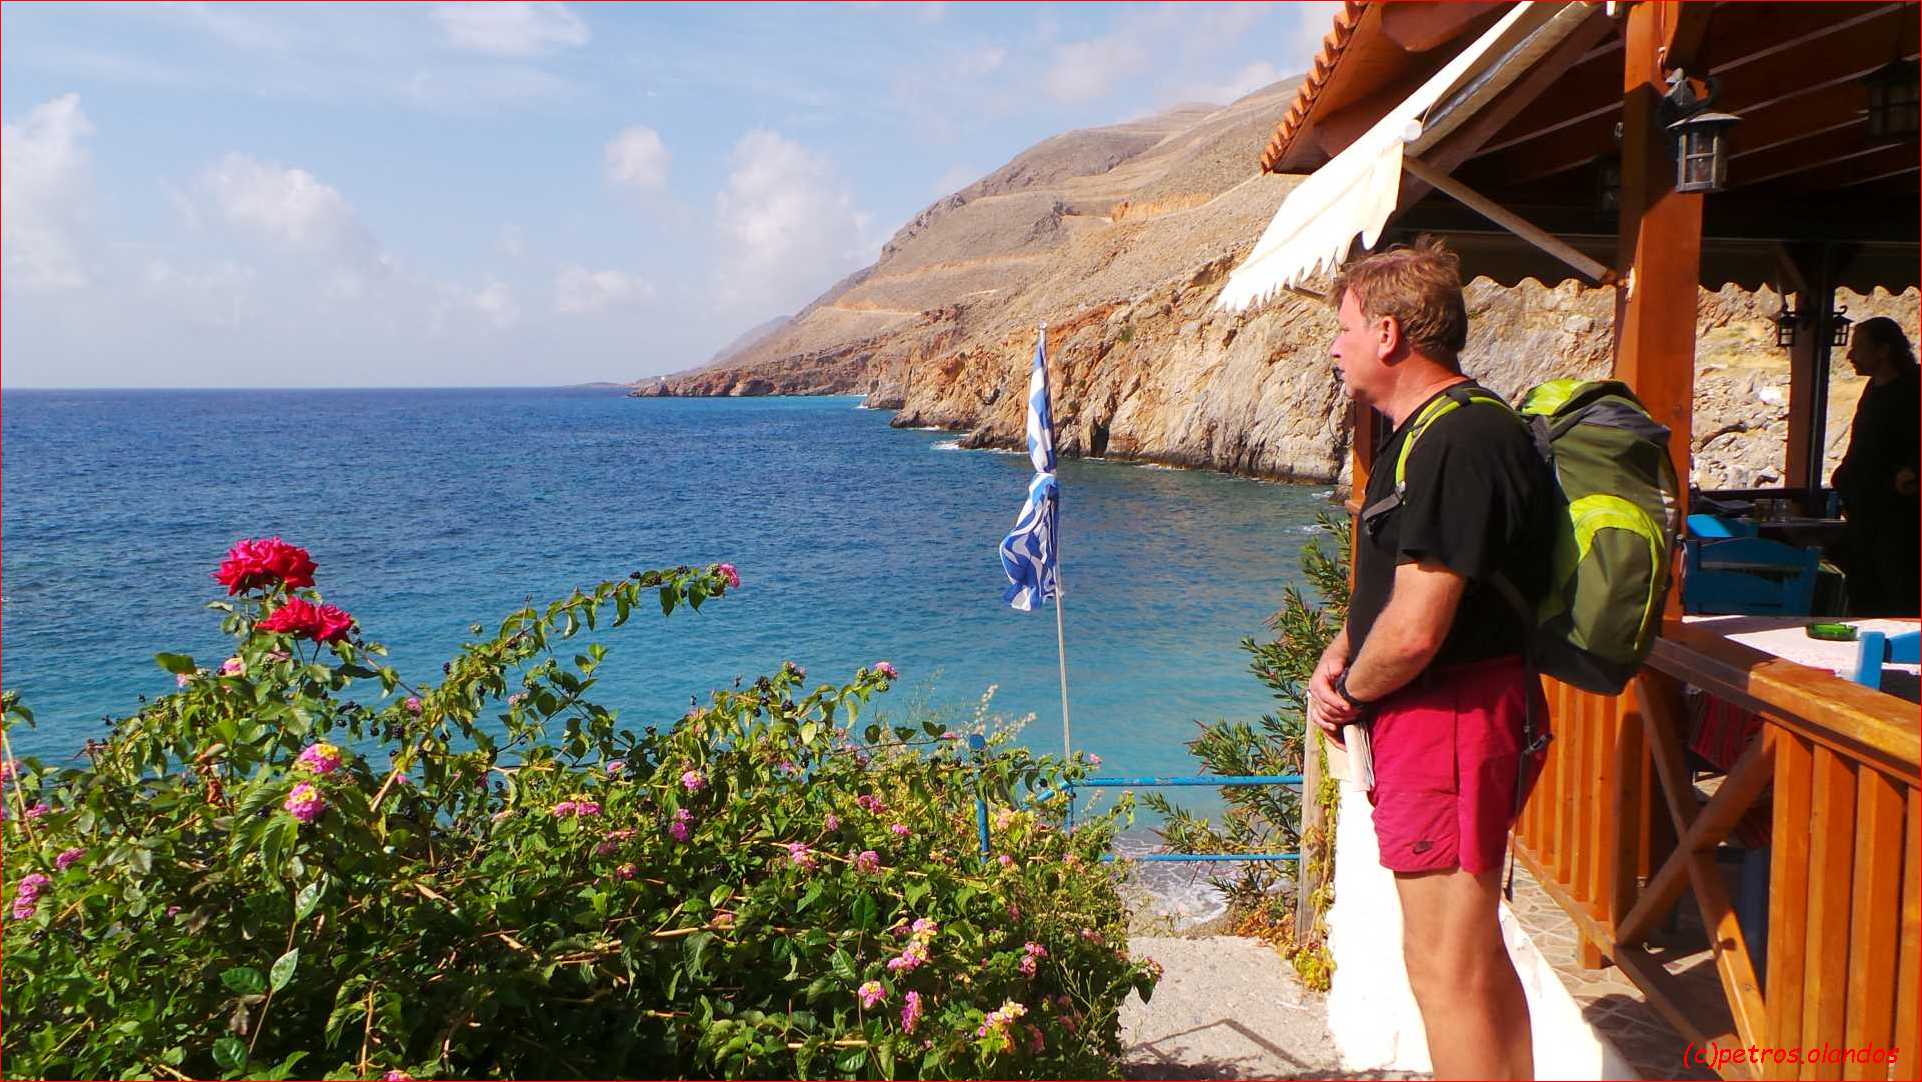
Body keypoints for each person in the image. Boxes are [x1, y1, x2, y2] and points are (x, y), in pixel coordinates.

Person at [1306, 240, 1554, 1080]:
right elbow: (1394, 586)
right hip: (1454, 718)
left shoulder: (1458, 441)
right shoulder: (1434, 434)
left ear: (1386, 332)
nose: (1333, 348)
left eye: (1342, 329)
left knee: (1443, 970)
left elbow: (1416, 631)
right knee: (1474, 954)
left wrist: (1349, 695)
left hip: (1448, 723)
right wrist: (1341, 653)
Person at [1831, 316, 1920, 616]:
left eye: (1859, 347)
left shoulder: (1914, 387)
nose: (1850, 355)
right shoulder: (1874, 389)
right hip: (1864, 516)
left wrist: (1914, 470)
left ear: (1883, 350)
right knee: (1865, 600)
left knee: (1900, 600)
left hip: (1900, 522)